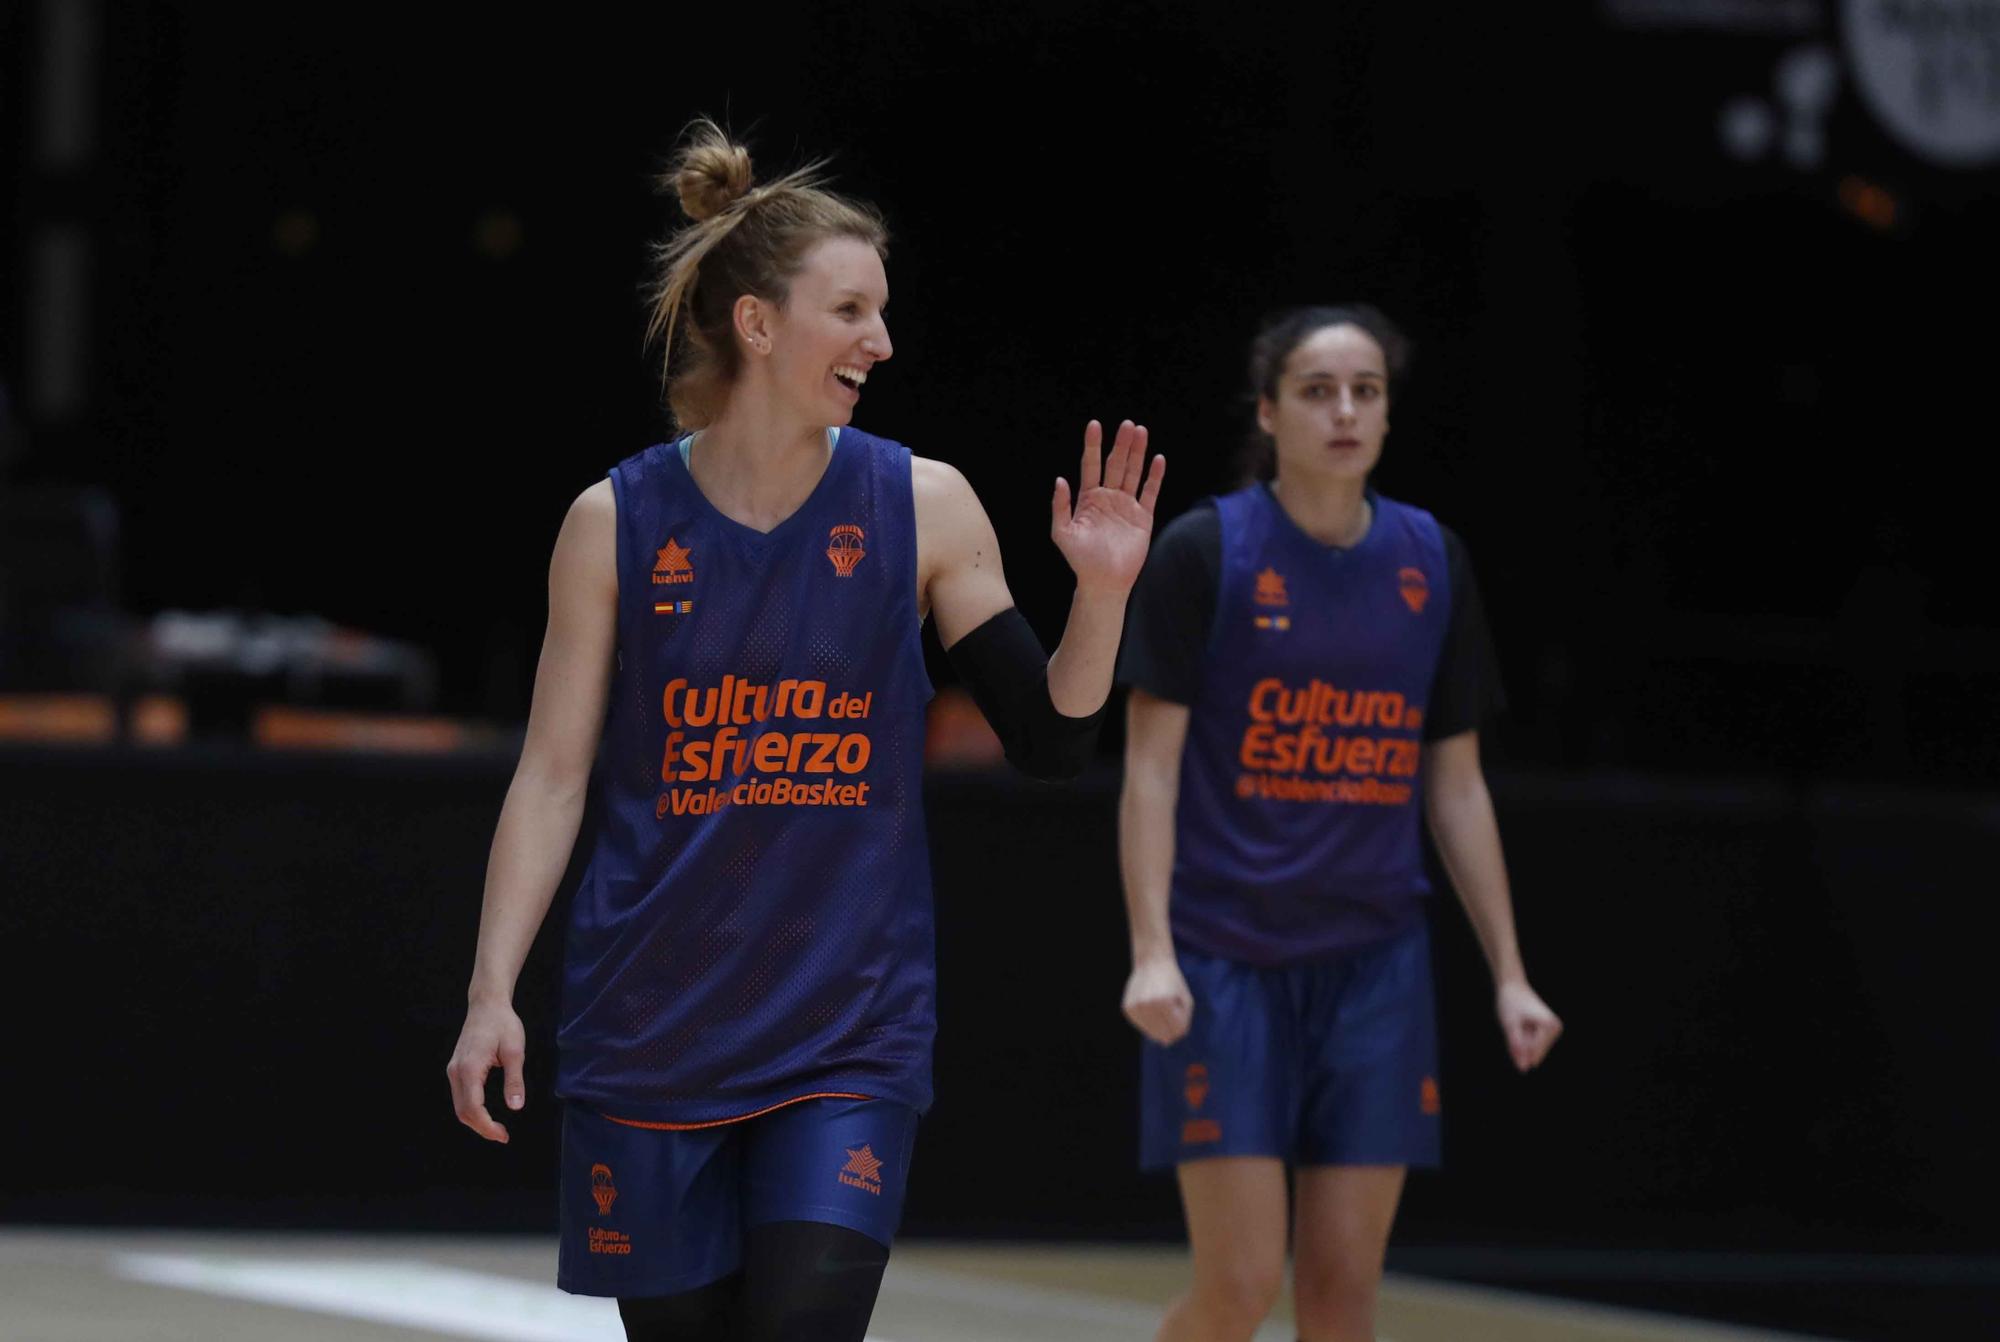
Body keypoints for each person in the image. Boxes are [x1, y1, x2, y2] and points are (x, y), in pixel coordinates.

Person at [444, 119, 1164, 1342]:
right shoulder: (611, 521)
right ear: (758, 325)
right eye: (849, 311)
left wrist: (1099, 597)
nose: (880, 341)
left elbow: (1050, 738)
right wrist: (489, 992)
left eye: (880, 312)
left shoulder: (922, 503)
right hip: (650, 1021)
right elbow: (553, 777)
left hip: (846, 1027)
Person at [1115, 304, 1561, 1342]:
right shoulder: (1202, 552)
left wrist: (1507, 969)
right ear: (1268, 412)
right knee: (1236, 1285)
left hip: (1374, 966)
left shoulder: (1427, 560)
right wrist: (1150, 950)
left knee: (1341, 1293)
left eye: (1365, 390)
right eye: (1317, 390)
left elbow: (1453, 783)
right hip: (1226, 958)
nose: (1345, 410)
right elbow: (1149, 772)